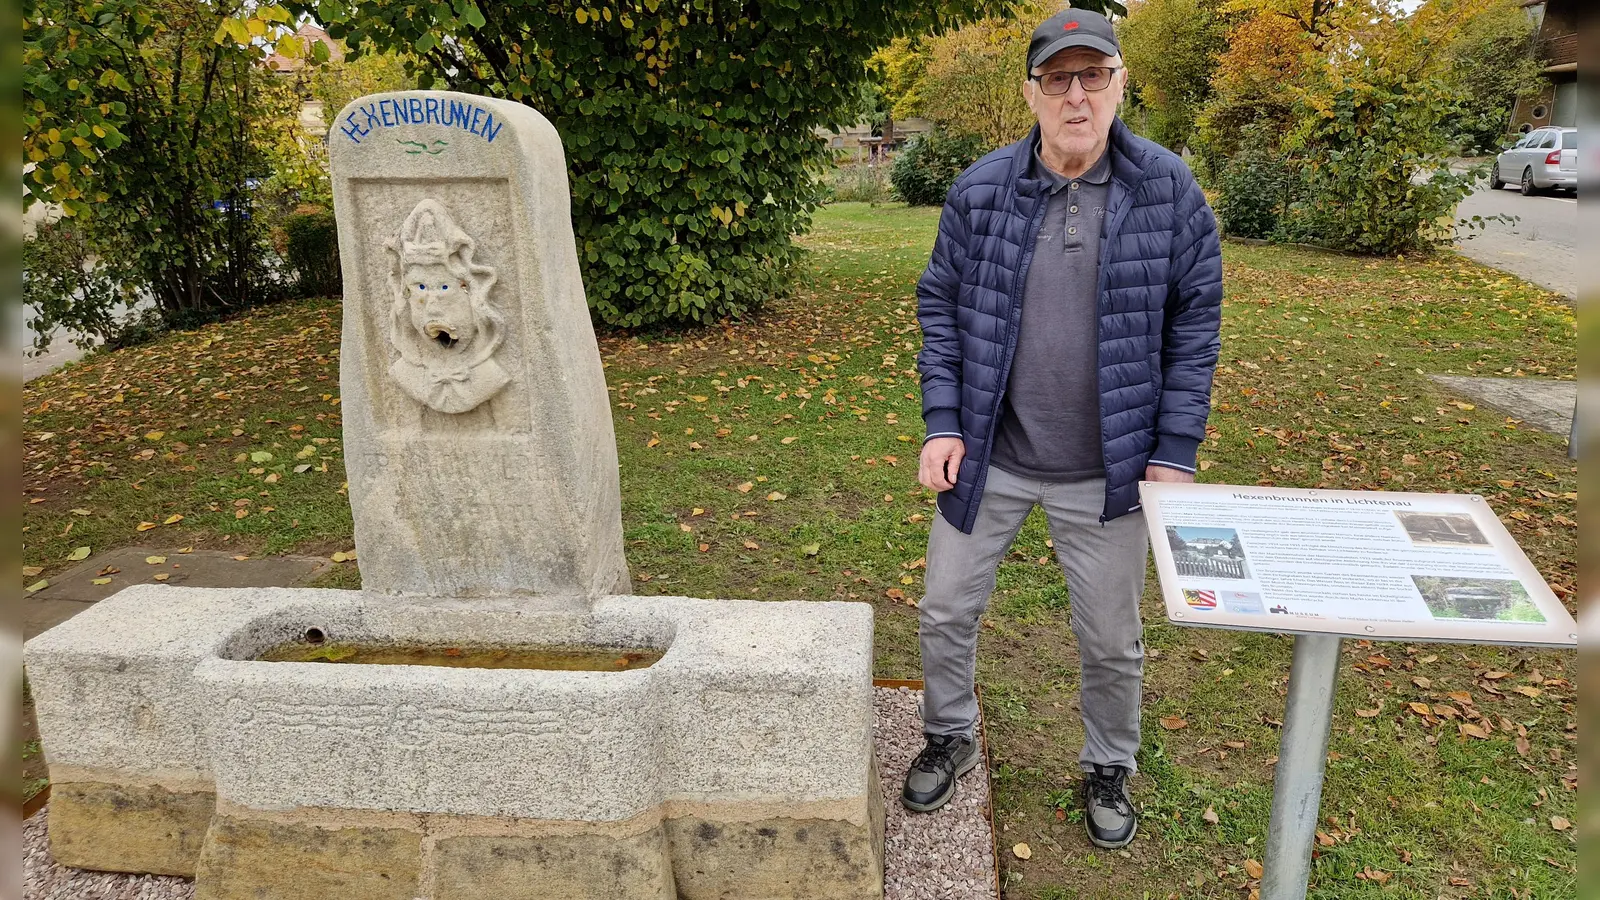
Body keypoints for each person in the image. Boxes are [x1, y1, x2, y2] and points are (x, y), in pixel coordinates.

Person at [902, 8, 1223, 852]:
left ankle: (1109, 763)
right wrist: (943, 422)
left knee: (1112, 638)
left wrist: (1174, 451)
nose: (1076, 95)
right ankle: (950, 733)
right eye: (1058, 78)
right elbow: (940, 303)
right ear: (1032, 92)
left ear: (1120, 84)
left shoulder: (1169, 190)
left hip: (1110, 468)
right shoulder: (981, 191)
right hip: (992, 454)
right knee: (943, 609)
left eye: (1094, 76)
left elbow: (1195, 324)